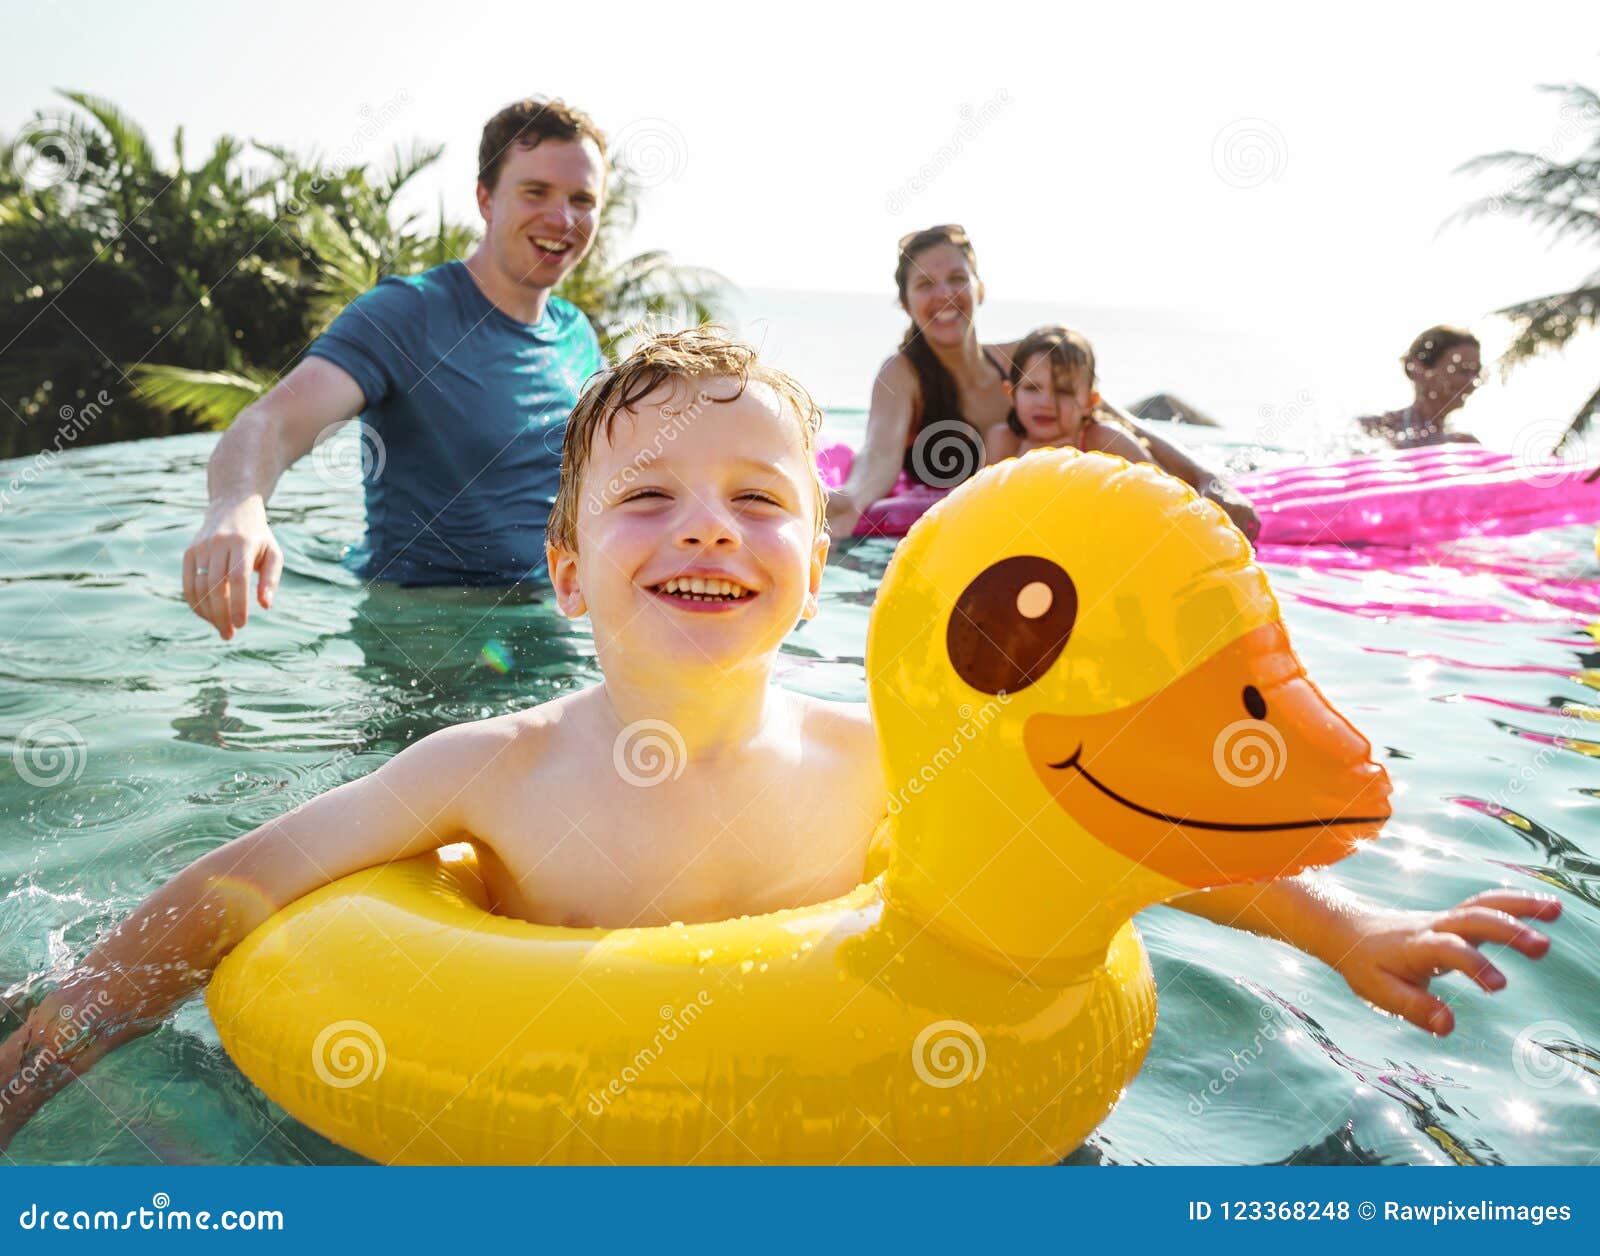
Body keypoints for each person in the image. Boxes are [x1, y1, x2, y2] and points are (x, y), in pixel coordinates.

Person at [0, 330, 1560, 1152]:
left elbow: (1116, 844)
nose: (711, 532)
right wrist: (65, 1036)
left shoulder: (883, 755)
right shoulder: (488, 769)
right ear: (566, 572)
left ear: (819, 565)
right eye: (650, 499)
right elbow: (240, 886)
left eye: (761, 501)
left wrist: (1349, 925)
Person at [182, 97, 608, 641]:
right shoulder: (406, 315)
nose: (562, 218)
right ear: (485, 198)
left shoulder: (578, 335)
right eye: (536, 192)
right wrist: (235, 505)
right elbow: (270, 422)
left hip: (548, 626)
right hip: (424, 637)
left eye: (582, 199)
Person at [825, 224, 1260, 540]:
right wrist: (848, 502)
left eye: (957, 278)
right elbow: (879, 455)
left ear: (979, 290)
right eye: (925, 283)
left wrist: (1208, 479)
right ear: (905, 302)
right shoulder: (903, 373)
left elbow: (1115, 419)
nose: (944, 294)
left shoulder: (1023, 359)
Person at [985, 324, 1154, 465]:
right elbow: (978, 500)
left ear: (1090, 402)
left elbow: (1165, 491)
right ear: (1011, 394)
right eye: (1032, 388)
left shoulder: (1103, 440)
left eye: (1064, 391)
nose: (1046, 402)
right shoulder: (1004, 442)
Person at [1357, 326, 1484, 449]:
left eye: (1475, 371)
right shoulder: (1373, 429)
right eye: (1463, 370)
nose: (1472, 381)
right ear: (1420, 369)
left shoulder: (1465, 445)